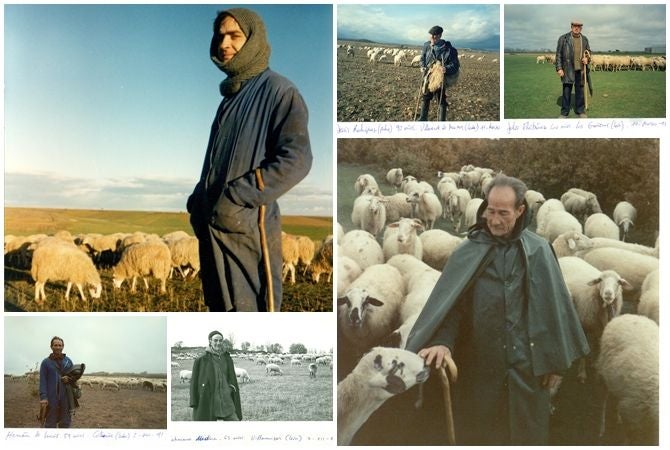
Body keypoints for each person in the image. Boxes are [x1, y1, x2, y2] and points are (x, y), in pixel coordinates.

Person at [405, 174, 589, 445]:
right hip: (480, 370)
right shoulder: (468, 251)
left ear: (520, 211)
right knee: (482, 434)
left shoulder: (539, 251)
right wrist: (442, 342)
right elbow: (452, 307)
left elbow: (554, 310)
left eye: (504, 213)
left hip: (528, 371)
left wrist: (555, 361)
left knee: (527, 435)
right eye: (490, 211)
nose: (494, 220)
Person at [187, 8, 313, 312]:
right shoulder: (230, 99)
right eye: (220, 36)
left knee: (254, 316)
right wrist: (198, 201)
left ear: (254, 40)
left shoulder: (279, 91)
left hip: (249, 232)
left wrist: (236, 197)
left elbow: (297, 158)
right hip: (215, 233)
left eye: (234, 36)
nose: (223, 44)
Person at [190, 330, 242, 421]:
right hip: (209, 399)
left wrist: (231, 388)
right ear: (210, 341)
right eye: (215, 340)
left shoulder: (227, 358)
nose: (218, 343)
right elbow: (193, 382)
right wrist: (193, 401)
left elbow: (232, 378)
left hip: (226, 400)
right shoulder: (201, 360)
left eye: (220, 340)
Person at [418, 25, 459, 121]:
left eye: (434, 35)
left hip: (440, 77)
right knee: (425, 96)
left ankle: (441, 121)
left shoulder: (449, 49)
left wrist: (446, 69)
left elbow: (455, 65)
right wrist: (422, 66)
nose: (432, 37)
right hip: (428, 75)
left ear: (440, 35)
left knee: (441, 99)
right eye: (431, 35)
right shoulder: (426, 45)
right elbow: (422, 58)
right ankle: (423, 118)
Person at [555, 20, 591, 118]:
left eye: (579, 26)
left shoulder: (584, 39)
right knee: (566, 92)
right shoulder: (563, 38)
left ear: (581, 28)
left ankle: (580, 111)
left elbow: (589, 52)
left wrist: (587, 58)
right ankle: (564, 113)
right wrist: (559, 68)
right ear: (571, 27)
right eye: (575, 26)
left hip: (581, 69)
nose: (576, 28)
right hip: (567, 69)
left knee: (580, 92)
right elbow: (558, 54)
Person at [39, 336, 74, 428]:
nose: (58, 347)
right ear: (51, 347)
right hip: (51, 398)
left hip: (66, 397)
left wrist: (69, 379)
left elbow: (74, 377)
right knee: (50, 423)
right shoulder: (46, 362)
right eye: (55, 345)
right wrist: (43, 397)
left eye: (60, 345)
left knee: (65, 423)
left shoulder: (68, 361)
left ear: (63, 346)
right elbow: (43, 381)